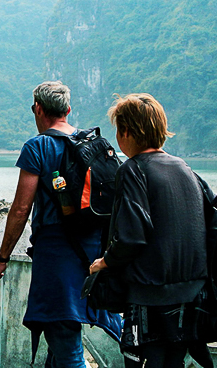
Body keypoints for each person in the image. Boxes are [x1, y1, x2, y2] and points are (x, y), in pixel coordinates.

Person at [0, 81, 121, 366]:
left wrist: (2, 258)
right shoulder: (96, 144)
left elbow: (21, 209)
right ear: (68, 110)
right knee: (60, 336)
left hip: (56, 253)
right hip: (95, 252)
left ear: (37, 109)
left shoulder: (38, 147)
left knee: (64, 337)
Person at [90, 93, 212, 367]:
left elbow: (132, 236)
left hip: (149, 296)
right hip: (190, 296)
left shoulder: (133, 170)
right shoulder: (187, 170)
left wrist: (104, 262)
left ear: (127, 132)